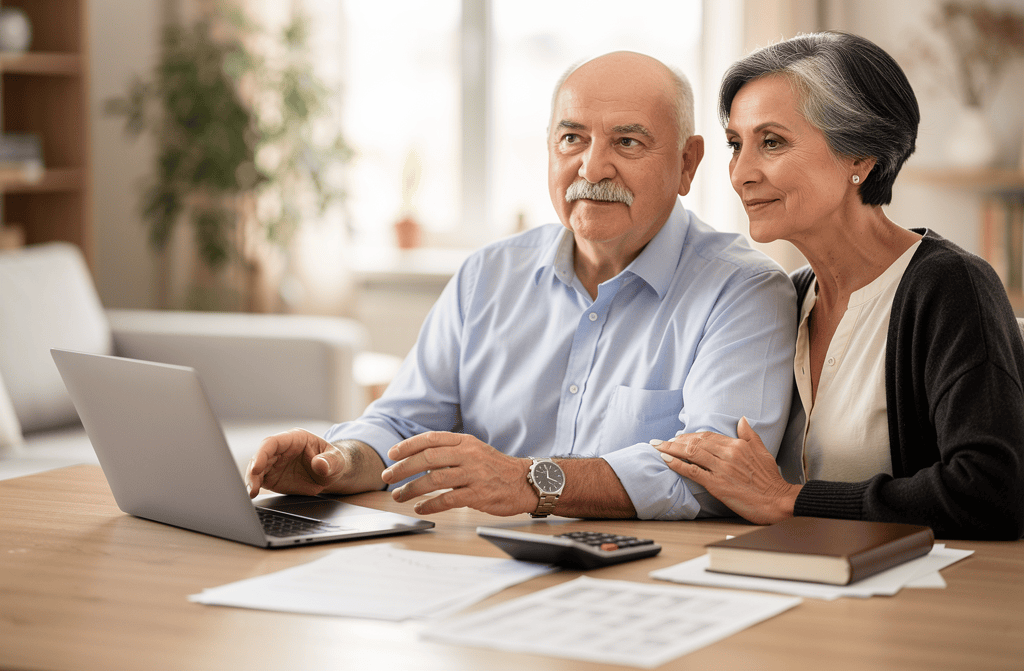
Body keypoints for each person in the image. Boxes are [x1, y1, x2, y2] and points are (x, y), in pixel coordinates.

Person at [245, 50, 797, 521]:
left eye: (627, 142)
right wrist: (334, 464)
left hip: (655, 578)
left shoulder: (745, 291)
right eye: (572, 138)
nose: (592, 167)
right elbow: (402, 422)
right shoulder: (486, 275)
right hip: (485, 565)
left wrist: (531, 481)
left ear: (686, 163)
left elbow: (713, 477)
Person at [652, 31, 1024, 540]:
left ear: (860, 158)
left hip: (921, 597)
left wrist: (791, 500)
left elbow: (991, 491)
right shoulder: (785, 295)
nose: (741, 173)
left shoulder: (949, 287)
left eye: (772, 142)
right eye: (736, 145)